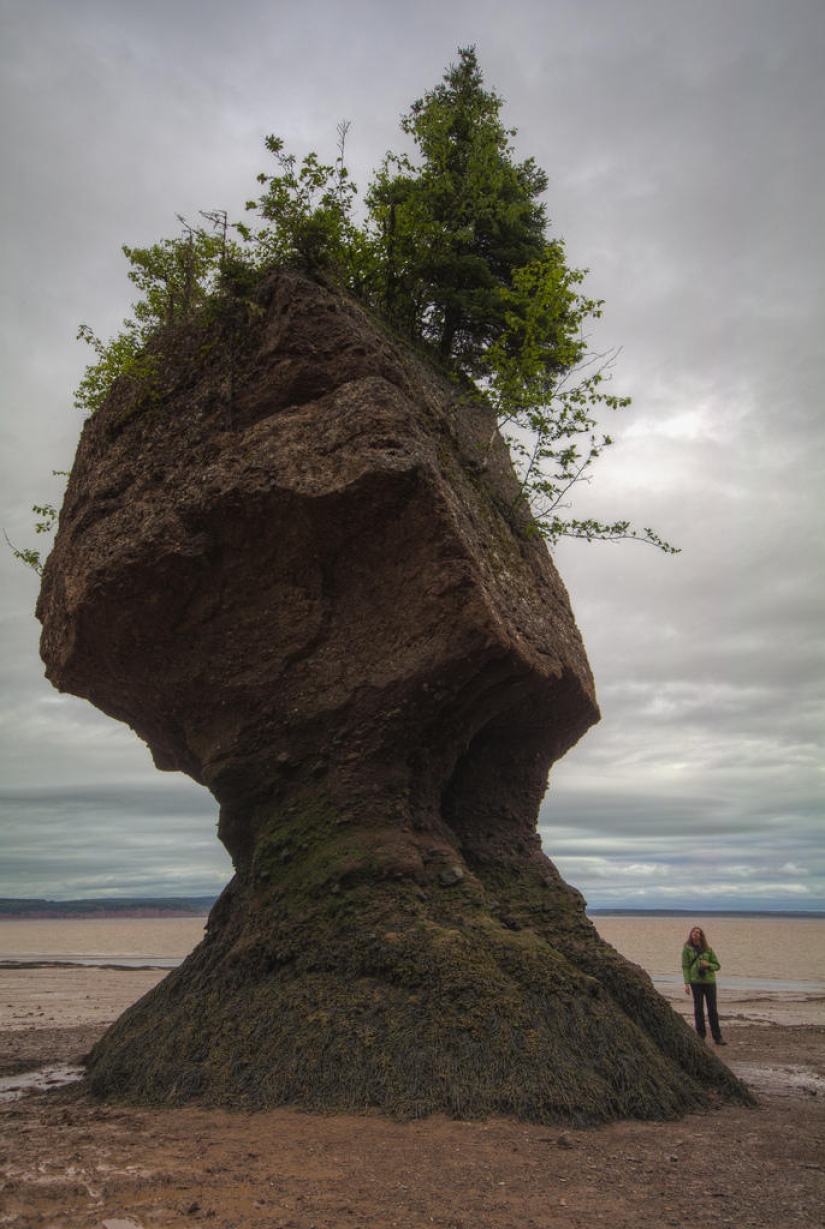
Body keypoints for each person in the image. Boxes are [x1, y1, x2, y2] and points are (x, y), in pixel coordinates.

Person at [682, 924, 726, 1045]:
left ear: (701, 936)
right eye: (694, 932)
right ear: (691, 935)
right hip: (696, 982)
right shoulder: (687, 949)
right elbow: (685, 967)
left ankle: (717, 1037)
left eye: (698, 932)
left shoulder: (708, 950)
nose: (696, 934)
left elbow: (717, 966)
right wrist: (686, 983)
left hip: (709, 982)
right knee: (698, 1009)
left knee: (712, 1009)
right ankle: (700, 1036)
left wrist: (708, 966)